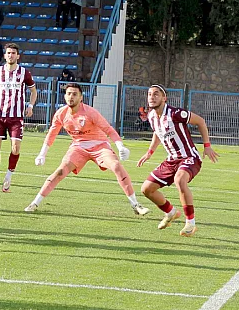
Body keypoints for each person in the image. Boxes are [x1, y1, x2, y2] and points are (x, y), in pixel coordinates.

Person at [25, 83, 150, 215]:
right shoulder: (61, 114)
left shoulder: (90, 112)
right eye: (68, 94)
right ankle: (35, 203)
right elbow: (52, 133)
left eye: (74, 94)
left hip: (100, 145)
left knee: (116, 166)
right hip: (78, 147)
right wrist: (42, 154)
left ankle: (136, 205)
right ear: (64, 96)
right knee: (60, 171)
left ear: (81, 97)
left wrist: (120, 146)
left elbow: (108, 129)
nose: (71, 97)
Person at [136, 84, 220, 237]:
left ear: (164, 98)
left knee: (180, 180)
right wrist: (149, 152)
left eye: (156, 94)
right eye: (149, 94)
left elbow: (200, 121)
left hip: (189, 157)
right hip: (171, 160)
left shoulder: (176, 113)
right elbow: (157, 133)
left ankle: (190, 223)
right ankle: (171, 212)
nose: (152, 97)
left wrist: (207, 146)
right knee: (146, 189)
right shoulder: (151, 116)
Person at [0, 43, 37, 192]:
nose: (10, 55)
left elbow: (33, 91)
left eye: (13, 53)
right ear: (5, 55)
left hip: (16, 117)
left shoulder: (24, 73)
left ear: (18, 56)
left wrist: (30, 106)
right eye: (8, 53)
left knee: (15, 148)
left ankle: (8, 176)